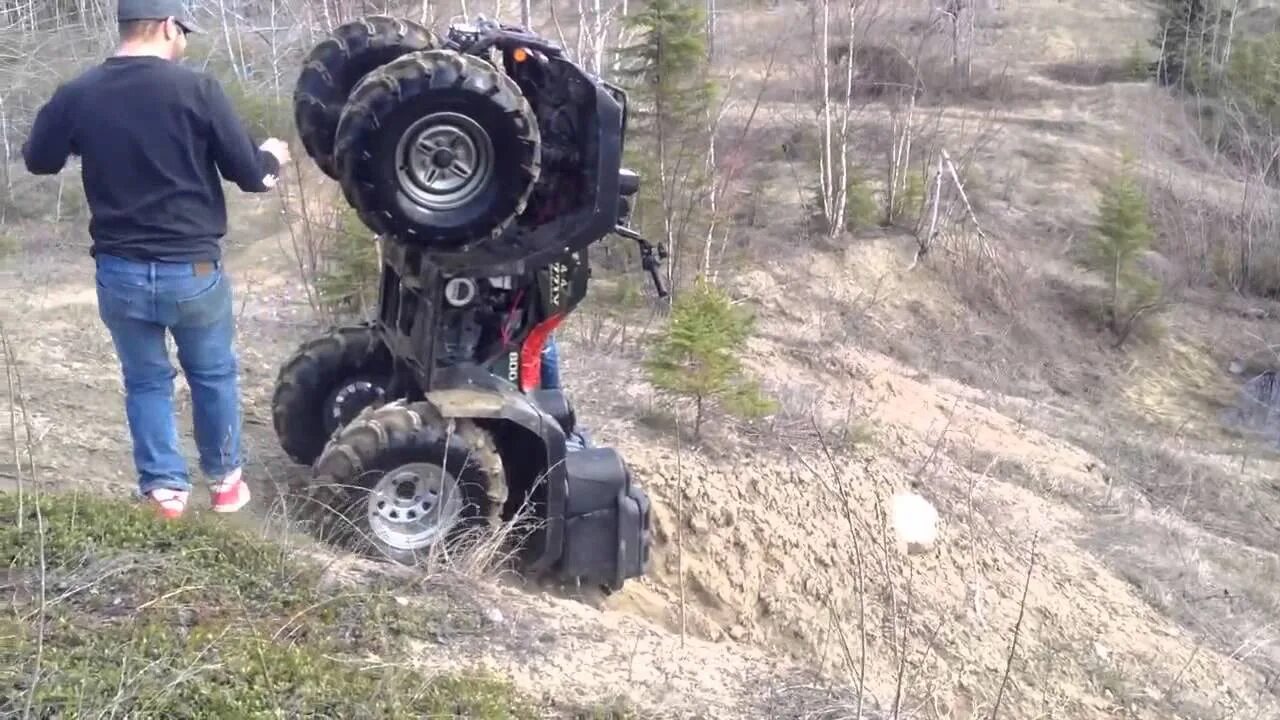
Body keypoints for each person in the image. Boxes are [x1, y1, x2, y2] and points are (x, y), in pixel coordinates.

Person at [22, 0, 290, 520]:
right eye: (183, 30)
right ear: (169, 27)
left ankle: (165, 493)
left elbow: (39, 160)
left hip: (120, 271)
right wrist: (273, 155)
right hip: (194, 273)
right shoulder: (198, 89)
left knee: (146, 381)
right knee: (212, 375)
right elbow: (252, 177)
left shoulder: (79, 93)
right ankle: (225, 485)